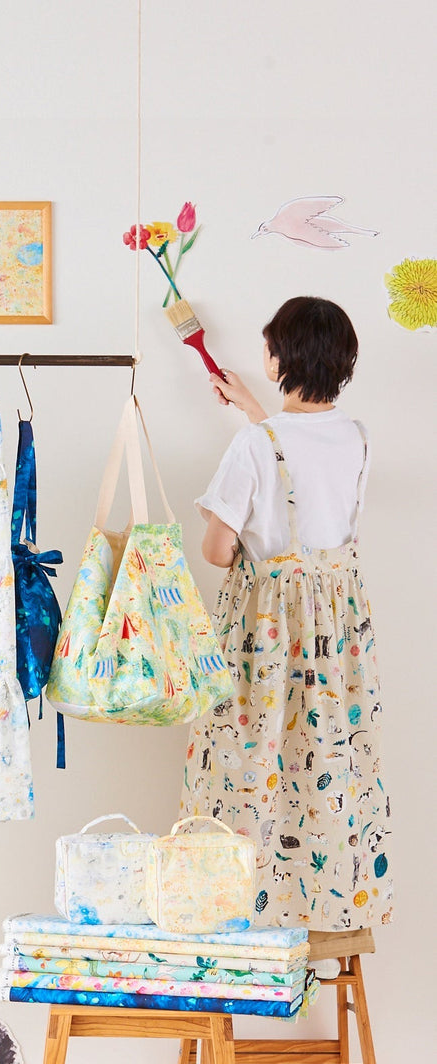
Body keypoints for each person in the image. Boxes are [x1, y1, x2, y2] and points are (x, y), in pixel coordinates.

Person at [181, 296, 391, 931]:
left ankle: (238, 914)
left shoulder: (255, 445)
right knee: (322, 758)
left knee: (249, 761)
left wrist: (256, 430)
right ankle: (325, 904)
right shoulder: (356, 438)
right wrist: (256, 415)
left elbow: (217, 551)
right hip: (336, 637)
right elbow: (304, 466)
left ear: (281, 360)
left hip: (267, 634)